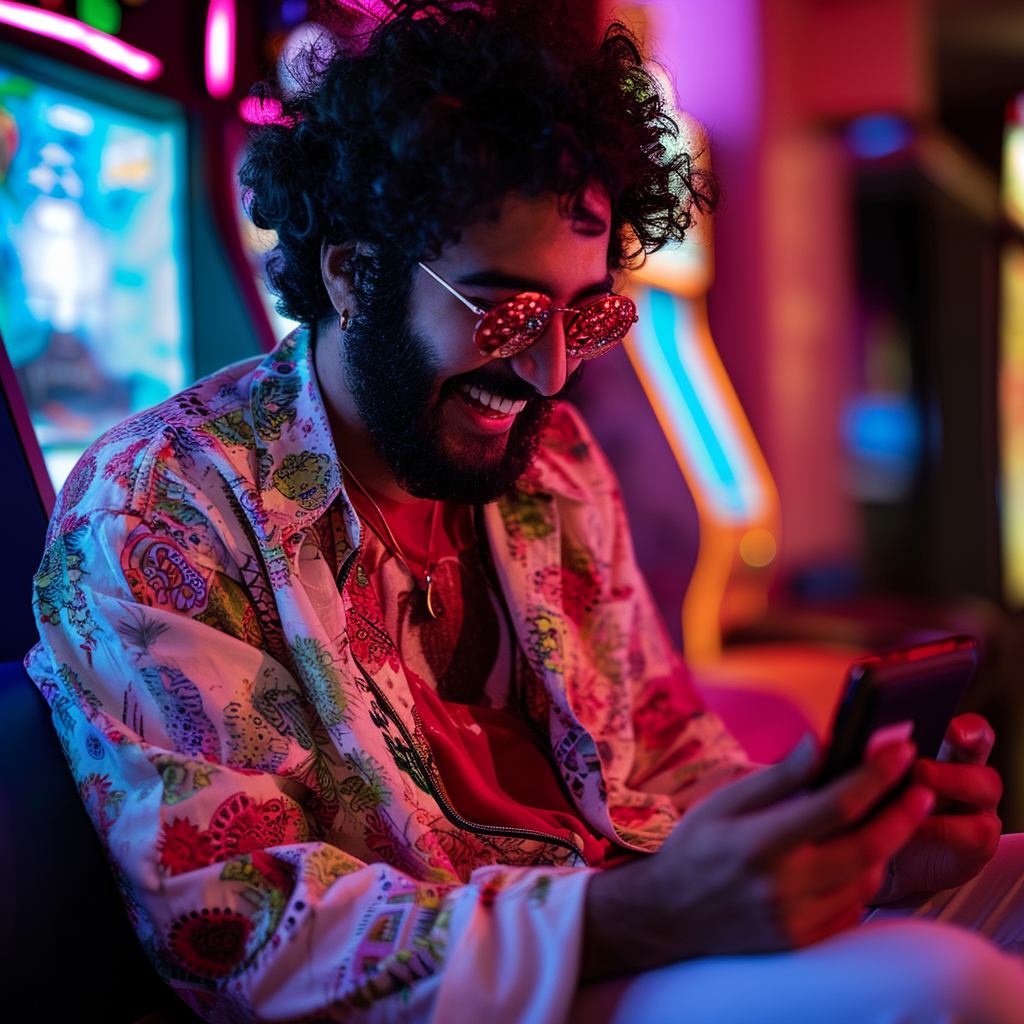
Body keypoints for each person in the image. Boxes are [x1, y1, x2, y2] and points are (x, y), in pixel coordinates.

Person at [25, 2, 1024, 1022]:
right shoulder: (161, 505)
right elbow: (246, 938)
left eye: (584, 314)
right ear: (354, 273)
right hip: (488, 991)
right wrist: (642, 914)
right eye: (503, 309)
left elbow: (669, 759)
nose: (547, 371)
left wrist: (845, 846)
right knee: (947, 988)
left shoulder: (557, 468)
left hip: (631, 918)